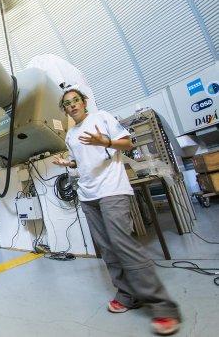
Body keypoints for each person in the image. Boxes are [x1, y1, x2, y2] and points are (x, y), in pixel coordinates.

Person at [53, 87, 180, 335]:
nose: (72, 105)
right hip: (88, 196)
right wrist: (68, 163)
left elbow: (128, 142)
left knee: (124, 245)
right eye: (67, 104)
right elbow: (82, 161)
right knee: (108, 250)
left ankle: (163, 307)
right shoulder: (70, 134)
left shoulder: (102, 118)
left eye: (75, 100)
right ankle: (128, 295)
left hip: (112, 190)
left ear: (84, 102)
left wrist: (106, 142)